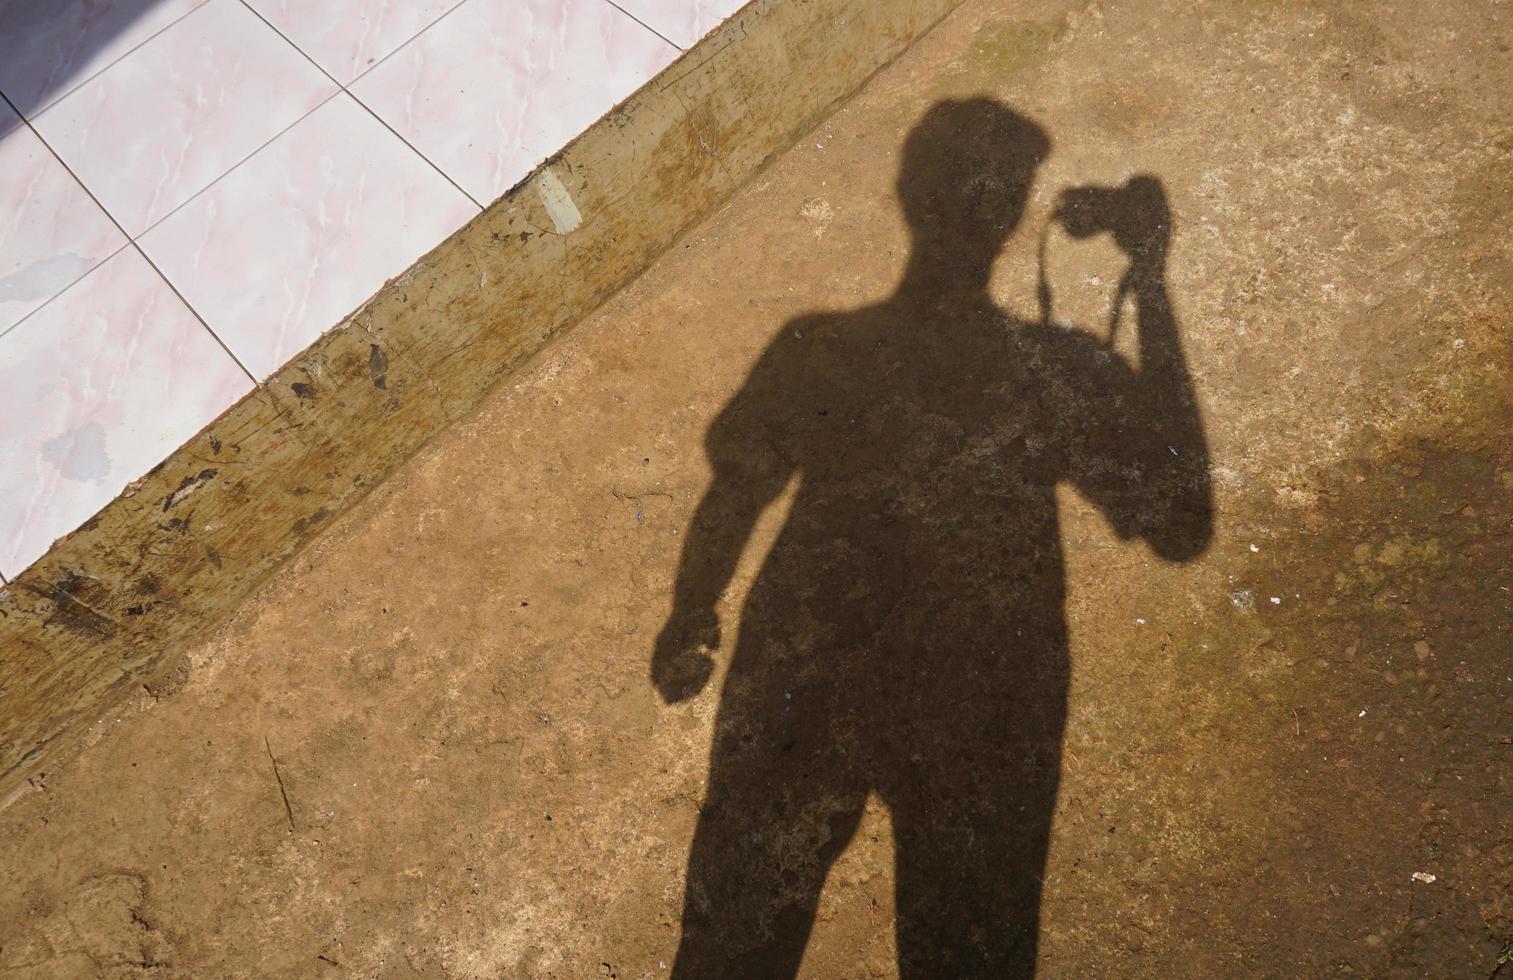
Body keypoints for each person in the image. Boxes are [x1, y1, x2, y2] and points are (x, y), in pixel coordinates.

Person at [652, 98, 1213, 978]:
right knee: (968, 955)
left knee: (734, 948)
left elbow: (739, 491)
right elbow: (1181, 523)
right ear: (1010, 217)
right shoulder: (1058, 373)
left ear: (909, 195)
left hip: (810, 668)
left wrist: (690, 610)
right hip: (981, 691)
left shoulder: (817, 350)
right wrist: (1147, 276)